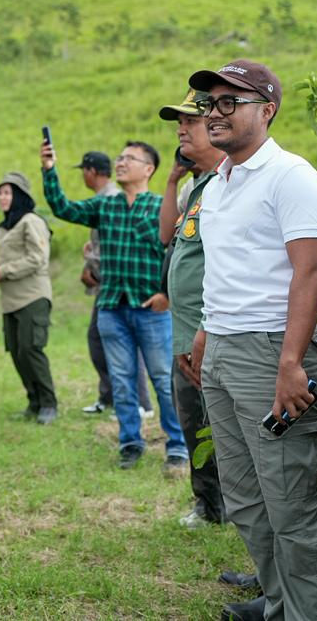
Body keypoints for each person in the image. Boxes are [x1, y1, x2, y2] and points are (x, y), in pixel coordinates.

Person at [188, 59, 317, 621]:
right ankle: (279, 602)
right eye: (209, 104)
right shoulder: (219, 181)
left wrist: (291, 362)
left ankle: (309, 614)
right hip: (224, 349)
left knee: (289, 502)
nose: (214, 114)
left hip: (273, 349)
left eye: (231, 102)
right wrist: (207, 330)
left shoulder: (292, 176)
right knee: (247, 497)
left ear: (267, 109)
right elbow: (226, 268)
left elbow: (310, 272)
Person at [41, 138, 188, 471]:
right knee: (121, 382)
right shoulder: (104, 205)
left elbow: (178, 253)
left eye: (130, 159)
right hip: (111, 307)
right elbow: (63, 207)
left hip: (152, 309)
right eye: (120, 158)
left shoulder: (160, 207)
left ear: (148, 169)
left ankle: (178, 445)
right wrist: (49, 170)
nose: (120, 162)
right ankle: (130, 443)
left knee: (164, 381)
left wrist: (167, 293)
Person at [157, 90, 228, 529]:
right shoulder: (195, 186)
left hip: (212, 331)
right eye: (178, 123)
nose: (181, 129)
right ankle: (207, 504)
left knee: (220, 429)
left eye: (190, 122)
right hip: (183, 332)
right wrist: (170, 180)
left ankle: (230, 507)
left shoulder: (228, 183)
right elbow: (168, 236)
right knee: (193, 425)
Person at [76, 152, 152, 417]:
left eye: (83, 170)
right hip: (108, 283)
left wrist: (91, 264)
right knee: (103, 342)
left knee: (118, 343)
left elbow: (115, 243)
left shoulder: (109, 198)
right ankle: (111, 397)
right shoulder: (105, 197)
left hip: (117, 284)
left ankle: (140, 403)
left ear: (92, 171)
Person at [0, 171, 56, 424]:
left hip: (33, 296)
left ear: (20, 195)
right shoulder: (2, 229)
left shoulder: (31, 221)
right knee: (16, 352)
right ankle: (33, 402)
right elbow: (3, 260)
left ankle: (49, 403)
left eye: (7, 192)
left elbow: (38, 258)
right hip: (9, 300)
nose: (2, 198)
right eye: (0, 193)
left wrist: (3, 271)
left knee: (31, 349)